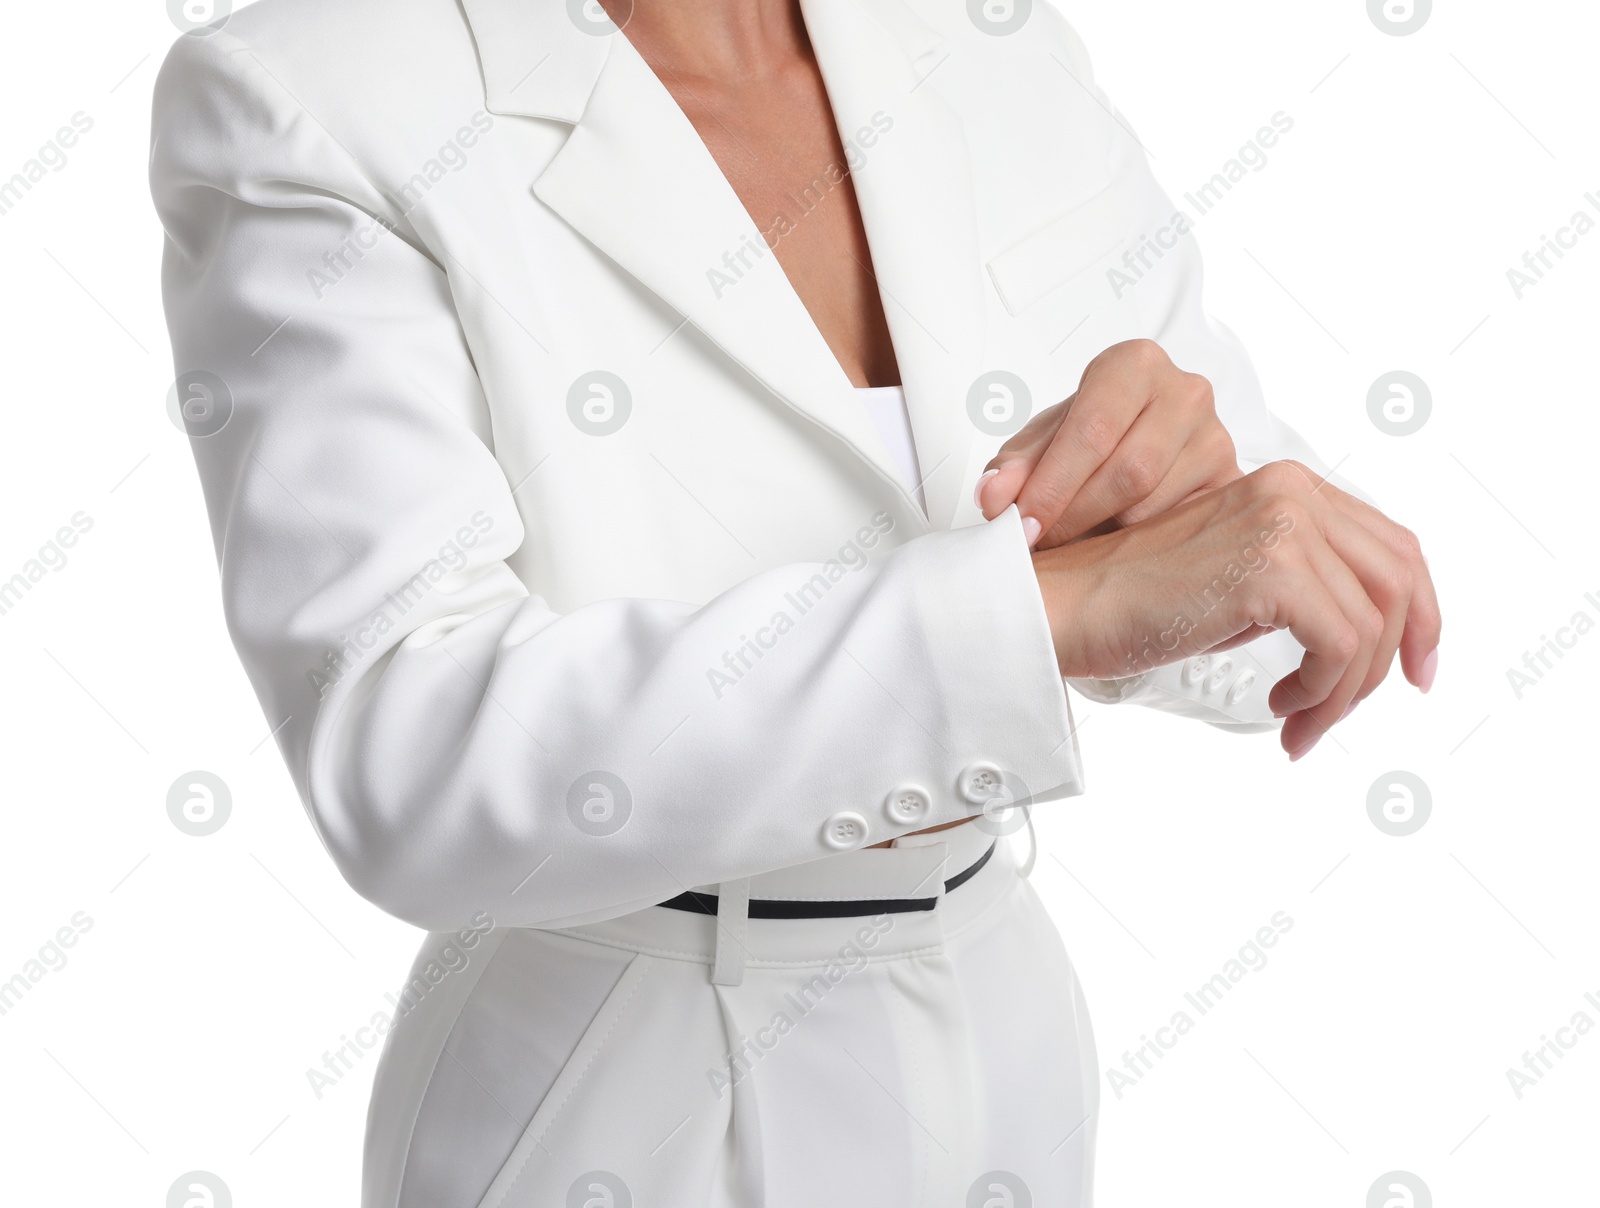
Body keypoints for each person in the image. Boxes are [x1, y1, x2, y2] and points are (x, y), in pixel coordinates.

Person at [149, 0, 1440, 1204]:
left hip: (1004, 1044)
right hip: (619, 1089)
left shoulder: (984, 35)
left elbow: (1270, 577)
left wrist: (1183, 511)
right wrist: (1038, 611)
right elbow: (413, 759)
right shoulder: (317, 94)